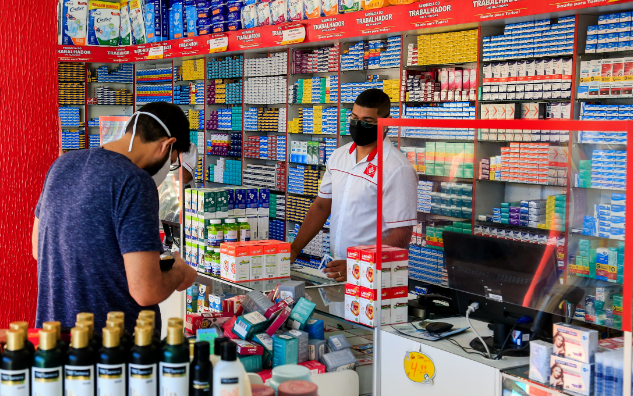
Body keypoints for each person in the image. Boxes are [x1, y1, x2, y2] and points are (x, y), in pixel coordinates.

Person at [32, 102, 198, 334]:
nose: (167, 167)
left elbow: (38, 249)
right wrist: (180, 271)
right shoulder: (135, 182)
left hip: (55, 339)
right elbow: (145, 291)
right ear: (167, 145)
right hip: (115, 350)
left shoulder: (62, 165)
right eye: (172, 161)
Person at [290, 89, 417, 281]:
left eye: (368, 121)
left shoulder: (397, 168)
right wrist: (294, 249)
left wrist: (359, 265)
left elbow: (402, 233)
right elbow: (322, 205)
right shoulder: (338, 156)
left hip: (375, 273)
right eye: (354, 118)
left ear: (386, 122)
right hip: (337, 269)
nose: (359, 125)